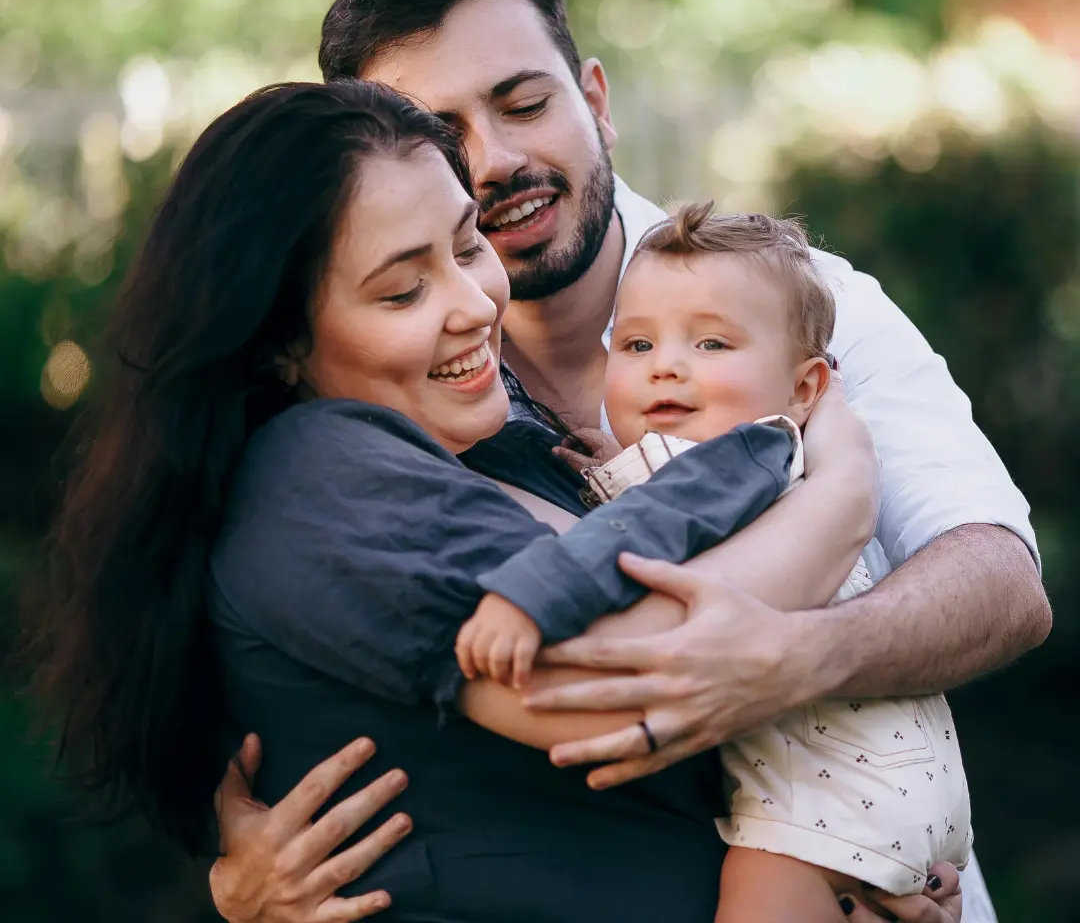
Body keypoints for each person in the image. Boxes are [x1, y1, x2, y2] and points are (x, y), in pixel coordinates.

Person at [209, 0, 1050, 923]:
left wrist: (796, 660)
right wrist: (234, 872)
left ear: (595, 101)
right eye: (443, 136)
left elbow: (1002, 580)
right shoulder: (425, 396)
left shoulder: (793, 301)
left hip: (874, 860)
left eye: (524, 103)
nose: (496, 159)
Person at [31, 79, 883, 922]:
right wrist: (842, 490)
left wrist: (858, 866)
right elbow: (630, 685)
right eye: (403, 291)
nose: (474, 305)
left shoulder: (504, 443)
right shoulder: (318, 475)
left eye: (469, 247)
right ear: (280, 338)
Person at [457, 205, 974, 921]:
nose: (666, 364)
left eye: (710, 343)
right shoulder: (755, 464)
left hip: (830, 792)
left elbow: (658, 519)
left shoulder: (753, 448)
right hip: (887, 777)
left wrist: (531, 595)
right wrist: (619, 466)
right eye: (636, 344)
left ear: (804, 389)